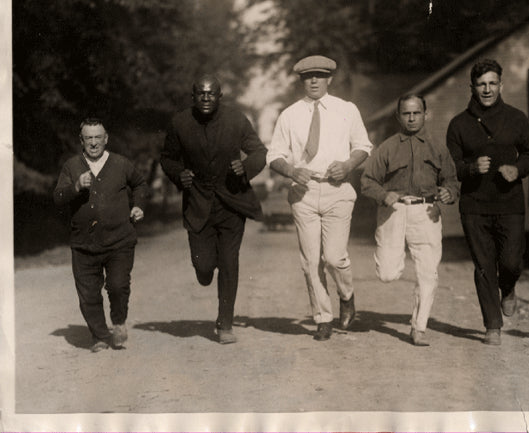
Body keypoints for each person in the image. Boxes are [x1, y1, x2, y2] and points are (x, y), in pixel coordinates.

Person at [267, 55, 372, 341]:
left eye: (318, 75)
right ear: (301, 80)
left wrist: (348, 165)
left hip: (338, 190)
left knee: (335, 258)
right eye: (307, 76)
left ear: (329, 79)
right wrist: (291, 170)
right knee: (311, 260)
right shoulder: (290, 115)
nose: (313, 81)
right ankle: (323, 317)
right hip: (304, 192)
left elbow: (363, 146)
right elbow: (273, 154)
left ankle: (346, 296)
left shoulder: (346, 110)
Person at [160, 75, 266, 345]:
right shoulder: (180, 122)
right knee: (204, 265)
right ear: (193, 96)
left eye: (211, 94)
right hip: (197, 202)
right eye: (200, 94)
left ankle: (225, 324)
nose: (206, 99)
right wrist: (178, 174)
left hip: (232, 201)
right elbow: (168, 158)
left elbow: (259, 152)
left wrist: (247, 167)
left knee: (229, 262)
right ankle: (205, 269)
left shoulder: (236, 120)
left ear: (220, 96)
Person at [446, 59, 529, 346]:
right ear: (472, 87)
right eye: (481, 84)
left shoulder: (516, 118)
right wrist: (472, 168)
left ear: (501, 85)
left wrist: (518, 169)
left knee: (510, 262)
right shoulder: (458, 124)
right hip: (474, 205)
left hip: (509, 203)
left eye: (492, 83)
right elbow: (452, 168)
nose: (487, 89)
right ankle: (492, 325)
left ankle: (508, 288)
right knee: (484, 265)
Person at [361, 94, 459, 346]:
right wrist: (384, 195)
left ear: (425, 114)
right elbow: (367, 182)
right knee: (387, 273)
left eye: (417, 112)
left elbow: (450, 181)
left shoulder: (437, 147)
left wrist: (448, 193)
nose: (412, 118)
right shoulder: (387, 147)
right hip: (394, 211)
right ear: (399, 116)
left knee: (428, 272)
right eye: (407, 113)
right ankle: (397, 257)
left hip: (426, 212)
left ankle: (419, 327)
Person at [54, 118, 148, 352]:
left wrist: (138, 206)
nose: (93, 143)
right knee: (88, 293)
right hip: (84, 243)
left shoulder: (121, 163)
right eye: (88, 138)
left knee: (117, 285)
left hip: (119, 240)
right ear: (81, 141)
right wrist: (75, 186)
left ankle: (118, 323)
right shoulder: (72, 166)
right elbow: (57, 197)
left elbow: (140, 184)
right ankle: (99, 336)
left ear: (106, 139)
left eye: (98, 137)